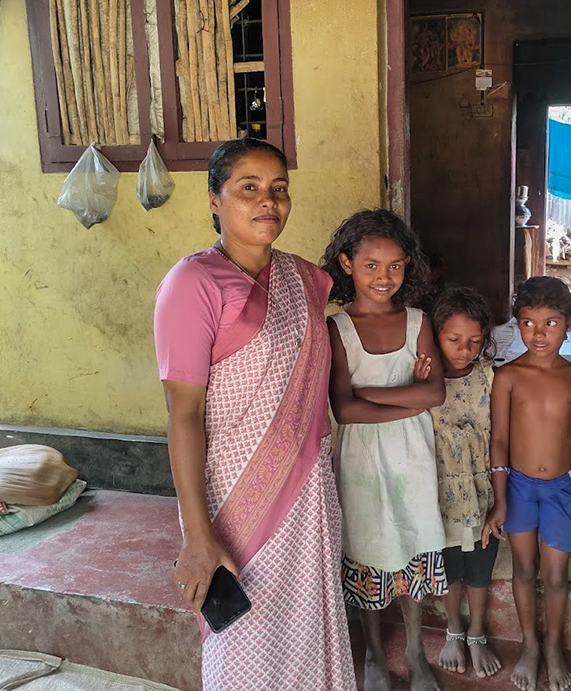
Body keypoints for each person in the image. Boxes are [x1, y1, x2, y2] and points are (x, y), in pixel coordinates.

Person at [153, 138, 355, 689]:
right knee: (245, 640)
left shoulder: (304, 280)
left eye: (279, 188)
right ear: (215, 200)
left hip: (309, 495)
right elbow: (183, 415)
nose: (269, 201)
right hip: (235, 504)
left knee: (310, 629)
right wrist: (198, 536)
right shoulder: (193, 284)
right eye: (249, 188)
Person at [323, 209, 448, 691]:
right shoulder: (338, 329)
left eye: (396, 266)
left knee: (414, 538)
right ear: (347, 263)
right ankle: (375, 653)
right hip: (360, 463)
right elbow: (344, 412)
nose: (384, 277)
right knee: (369, 545)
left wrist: (369, 394)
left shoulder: (417, 320)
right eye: (372, 265)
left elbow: (434, 394)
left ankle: (416, 652)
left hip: (413, 459)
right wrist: (401, 397)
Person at [482, 276, 571, 691]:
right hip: (516, 488)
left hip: (560, 491)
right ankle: (529, 644)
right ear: (517, 323)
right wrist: (499, 501)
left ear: (569, 323)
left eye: (551, 323)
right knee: (524, 568)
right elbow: (498, 439)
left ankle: (553, 644)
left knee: (554, 575)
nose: (539, 333)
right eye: (528, 322)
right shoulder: (508, 376)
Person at [427, 286, 502, 680]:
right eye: (453, 339)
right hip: (437, 493)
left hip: (481, 493)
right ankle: (453, 628)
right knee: (450, 567)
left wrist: (502, 500)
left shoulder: (491, 377)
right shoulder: (421, 377)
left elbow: (503, 438)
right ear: (436, 334)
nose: (464, 349)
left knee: (479, 566)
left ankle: (476, 633)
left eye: (474, 341)